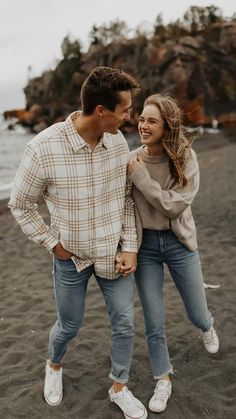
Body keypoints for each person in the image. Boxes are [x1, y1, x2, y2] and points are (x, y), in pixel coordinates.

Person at [8, 66, 148, 419]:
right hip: (70, 258)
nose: (129, 116)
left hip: (112, 254)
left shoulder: (117, 143)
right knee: (68, 325)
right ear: (101, 111)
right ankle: (54, 366)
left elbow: (126, 199)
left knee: (125, 322)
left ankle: (119, 386)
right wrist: (52, 242)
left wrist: (130, 245)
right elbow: (20, 204)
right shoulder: (43, 148)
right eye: (125, 109)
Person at [128, 93, 219, 414]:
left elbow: (174, 205)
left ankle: (207, 325)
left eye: (151, 120)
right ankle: (162, 379)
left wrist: (140, 177)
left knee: (196, 312)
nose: (143, 125)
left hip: (180, 244)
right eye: (141, 118)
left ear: (167, 125)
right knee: (154, 321)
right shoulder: (132, 158)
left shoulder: (185, 157)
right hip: (147, 248)